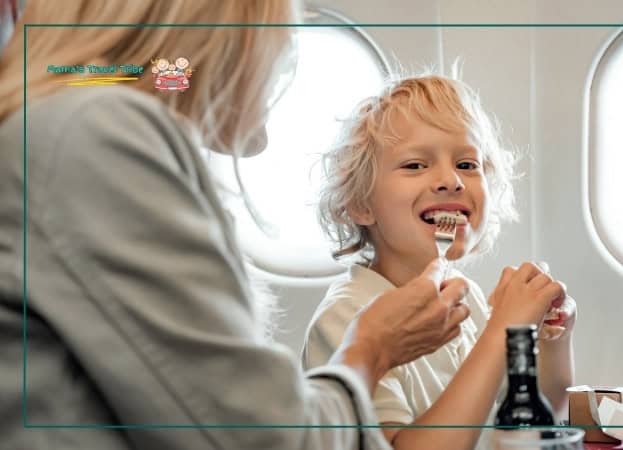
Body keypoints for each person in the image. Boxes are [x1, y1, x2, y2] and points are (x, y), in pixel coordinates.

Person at [0, 1, 473, 449]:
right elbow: (264, 439)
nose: (283, 60)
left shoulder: (87, 122)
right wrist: (371, 348)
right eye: (279, 31)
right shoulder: (96, 134)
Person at [303, 74, 577, 450]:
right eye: (415, 166)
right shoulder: (347, 317)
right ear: (361, 204)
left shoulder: (469, 301)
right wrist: (503, 328)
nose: (451, 180)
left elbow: (545, 416)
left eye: (467, 164)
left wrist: (549, 338)